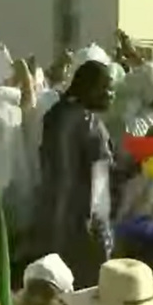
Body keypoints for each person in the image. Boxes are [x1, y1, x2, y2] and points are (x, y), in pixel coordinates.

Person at [27, 60, 115, 289]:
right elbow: (99, 190)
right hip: (81, 230)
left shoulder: (54, 115)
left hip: (50, 224)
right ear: (88, 87)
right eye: (104, 87)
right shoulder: (91, 124)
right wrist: (103, 238)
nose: (110, 93)